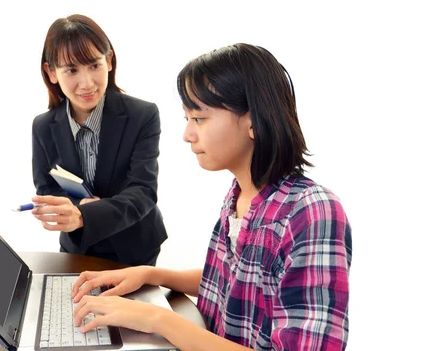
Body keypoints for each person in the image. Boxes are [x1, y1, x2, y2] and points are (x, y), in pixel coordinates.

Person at [70, 43, 352, 350]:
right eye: (187, 119)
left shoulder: (312, 213)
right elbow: (236, 281)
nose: (188, 134)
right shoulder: (240, 194)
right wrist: (153, 274)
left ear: (253, 122)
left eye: (199, 119)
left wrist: (156, 319)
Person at [30, 14, 168, 266]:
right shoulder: (43, 126)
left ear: (109, 61)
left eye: (94, 65)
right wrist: (79, 205)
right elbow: (47, 188)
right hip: (77, 247)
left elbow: (143, 191)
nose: (87, 83)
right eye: (71, 70)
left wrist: (86, 213)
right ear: (51, 72)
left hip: (134, 245)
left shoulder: (143, 115)